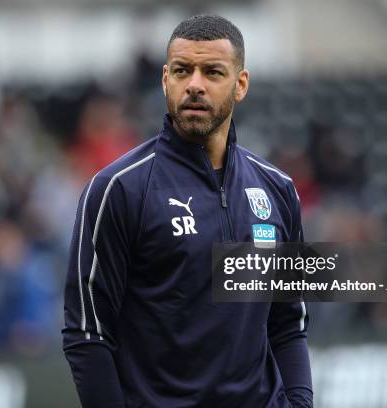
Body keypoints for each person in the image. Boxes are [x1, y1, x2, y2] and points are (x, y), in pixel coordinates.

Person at [62, 14, 313, 407]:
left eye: (212, 72)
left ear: (240, 84)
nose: (194, 84)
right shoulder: (118, 188)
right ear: (165, 80)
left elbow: (287, 326)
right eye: (182, 71)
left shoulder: (277, 190)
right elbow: (87, 333)